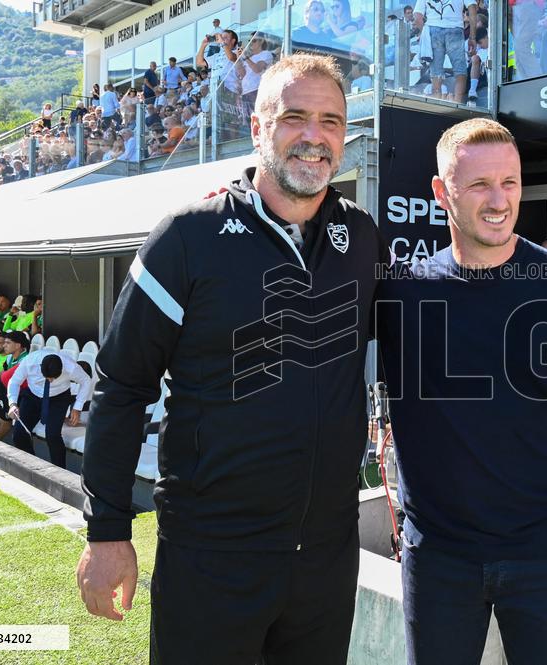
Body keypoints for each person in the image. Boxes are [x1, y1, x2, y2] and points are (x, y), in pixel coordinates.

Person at [77, 54, 388, 664]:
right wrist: (108, 530)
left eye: (331, 120)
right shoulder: (188, 237)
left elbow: (416, 332)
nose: (314, 136)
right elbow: (122, 384)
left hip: (326, 558)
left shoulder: (363, 237)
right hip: (212, 556)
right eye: (294, 117)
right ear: (256, 127)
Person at [377, 118, 547, 664]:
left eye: (511, 182)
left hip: (545, 554)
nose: (499, 201)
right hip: (438, 561)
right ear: (441, 192)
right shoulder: (401, 292)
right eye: (478, 185)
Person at [7, 348, 91, 469]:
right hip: (32, 395)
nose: (50, 380)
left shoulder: (71, 367)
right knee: (19, 433)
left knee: (53, 435)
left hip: (59, 398)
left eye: (53, 378)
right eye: (47, 377)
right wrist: (12, 404)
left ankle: (59, 471)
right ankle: (31, 466)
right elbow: (14, 381)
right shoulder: (30, 361)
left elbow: (86, 381)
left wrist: (77, 407)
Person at [413, 0, 478, 103]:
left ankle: (437, 103)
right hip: (455, 30)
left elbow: (417, 17)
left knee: (436, 72)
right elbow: (472, 8)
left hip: (433, 29)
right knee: (460, 70)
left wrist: (423, 32)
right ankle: (457, 103)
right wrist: (472, 37)